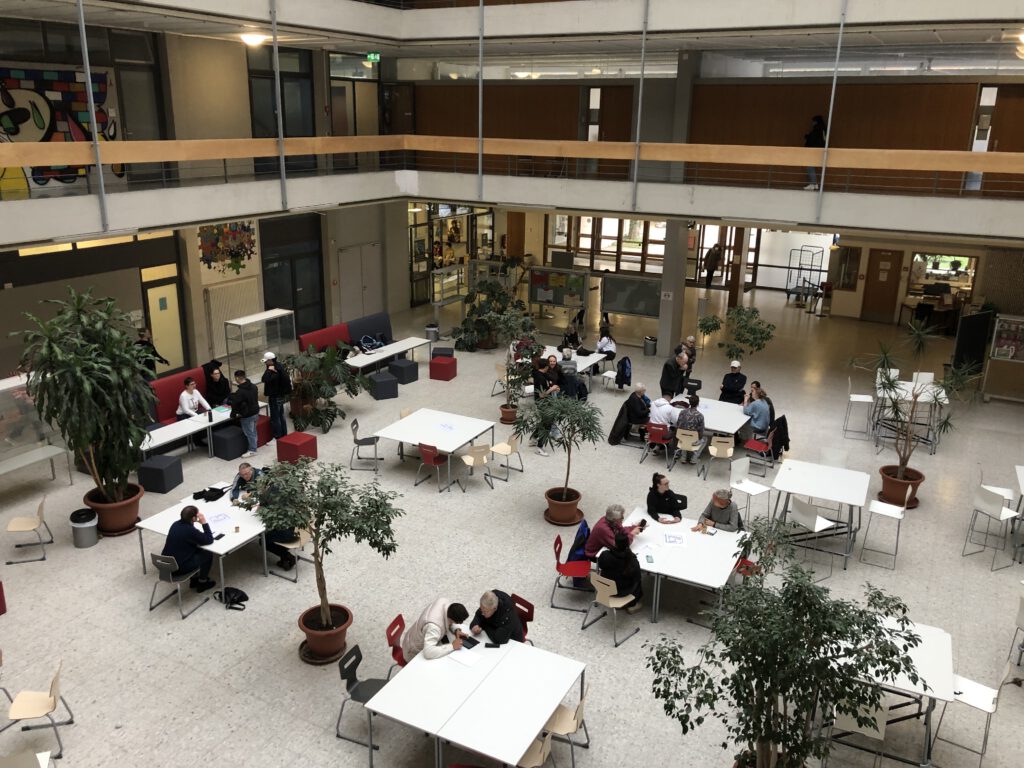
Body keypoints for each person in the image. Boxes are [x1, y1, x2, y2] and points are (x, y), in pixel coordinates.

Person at [162, 505, 215, 592]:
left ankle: (194, 581)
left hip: (165, 565)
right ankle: (202, 583)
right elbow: (209, 540)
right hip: (178, 568)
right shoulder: (190, 530)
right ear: (194, 518)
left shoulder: (175, 524)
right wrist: (204, 523)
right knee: (208, 554)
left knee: (196, 550)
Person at [400, 598, 471, 662]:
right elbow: (428, 652)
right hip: (413, 653)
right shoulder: (434, 627)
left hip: (413, 636)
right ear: (451, 619)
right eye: (456, 622)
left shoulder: (444, 601)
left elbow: (447, 619)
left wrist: (456, 630)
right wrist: (452, 646)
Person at [598, 532, 644, 614]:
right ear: (628, 544)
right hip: (623, 592)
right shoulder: (632, 560)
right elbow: (638, 577)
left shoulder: (605, 555)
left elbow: (600, 566)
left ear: (614, 543)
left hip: (605, 589)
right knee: (638, 581)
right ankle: (632, 605)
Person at [531, 357, 560, 456]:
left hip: (542, 402)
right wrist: (551, 389)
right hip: (542, 403)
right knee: (547, 424)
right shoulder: (540, 378)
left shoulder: (539, 374)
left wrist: (553, 387)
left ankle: (534, 438)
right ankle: (540, 447)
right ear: (546, 366)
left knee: (543, 421)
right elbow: (541, 394)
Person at [228, 369, 260, 457]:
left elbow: (235, 404)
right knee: (253, 430)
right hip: (256, 411)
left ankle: (252, 450)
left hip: (247, 415)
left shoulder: (240, 392)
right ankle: (255, 445)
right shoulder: (253, 386)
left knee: (249, 433)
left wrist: (233, 414)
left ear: (237, 378)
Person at [261, 351, 291, 440]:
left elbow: (264, 379)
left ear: (270, 360)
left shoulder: (274, 370)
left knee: (275, 417)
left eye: (266, 361)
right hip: (280, 395)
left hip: (275, 396)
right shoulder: (279, 366)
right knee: (281, 415)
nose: (265, 363)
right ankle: (283, 434)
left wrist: (268, 371)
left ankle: (277, 436)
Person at [676, 394, 707, 464]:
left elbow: (678, 425)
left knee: (684, 435)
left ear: (689, 402)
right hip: (693, 440)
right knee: (705, 439)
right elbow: (701, 432)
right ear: (698, 403)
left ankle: (683, 457)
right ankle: (694, 458)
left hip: (682, 438)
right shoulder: (700, 416)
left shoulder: (682, 412)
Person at [803, 115, 827, 190]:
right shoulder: (824, 129)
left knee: (810, 166)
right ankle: (814, 183)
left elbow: (812, 139)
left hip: (814, 150)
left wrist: (807, 137)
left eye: (813, 121)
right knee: (811, 166)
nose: (812, 123)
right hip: (821, 150)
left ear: (816, 121)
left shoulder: (817, 129)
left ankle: (813, 183)